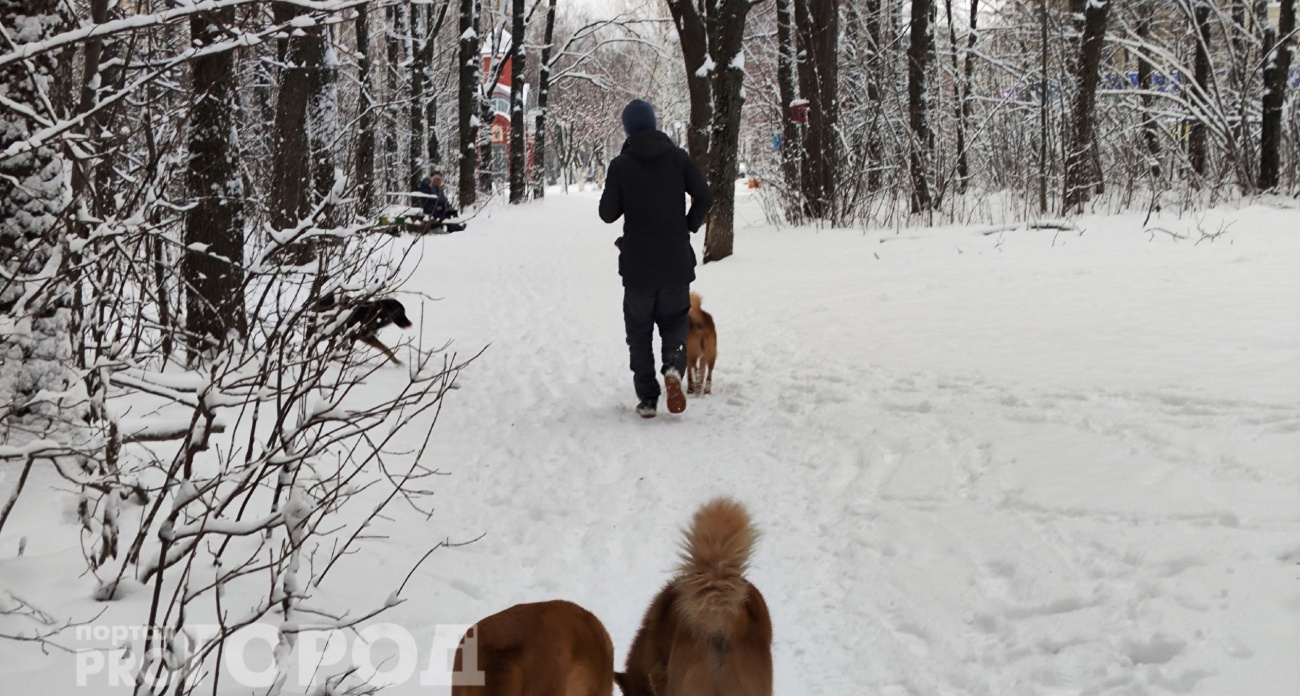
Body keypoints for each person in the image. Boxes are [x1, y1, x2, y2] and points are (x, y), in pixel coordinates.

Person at [599, 99, 714, 418]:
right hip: (675, 262)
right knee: (675, 321)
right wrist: (687, 226)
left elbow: (607, 213)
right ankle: (674, 370)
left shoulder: (622, 165)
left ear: (628, 129)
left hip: (637, 266)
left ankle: (648, 399)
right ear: (654, 124)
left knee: (638, 332)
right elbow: (705, 197)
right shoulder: (678, 158)